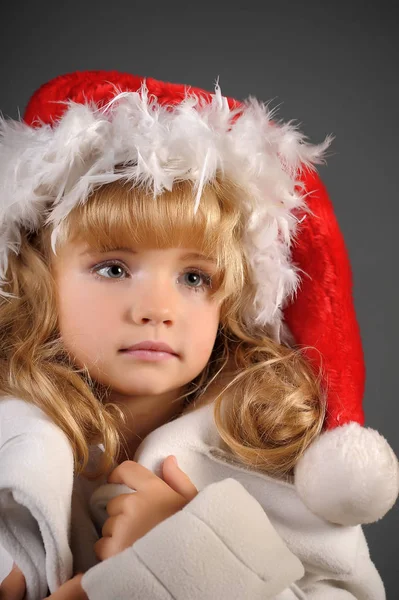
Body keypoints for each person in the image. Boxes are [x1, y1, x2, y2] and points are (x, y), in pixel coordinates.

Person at [0, 70, 398, 600]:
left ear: (229, 301)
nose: (157, 310)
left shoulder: (268, 447)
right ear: (39, 279)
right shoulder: (14, 440)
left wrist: (186, 554)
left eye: (194, 278)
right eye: (114, 269)